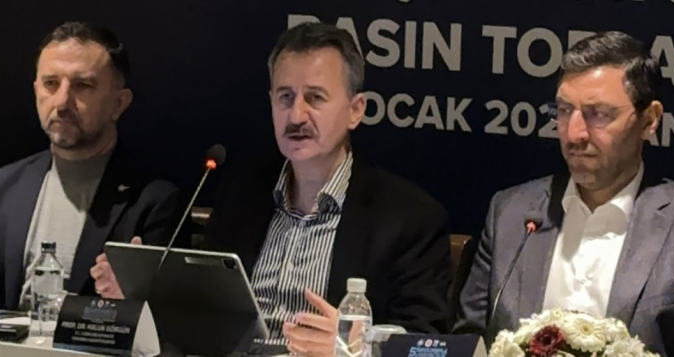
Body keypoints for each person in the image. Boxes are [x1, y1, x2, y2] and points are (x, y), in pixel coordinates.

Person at [92, 22, 453, 357]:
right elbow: (201, 321)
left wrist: (356, 348)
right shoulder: (242, 195)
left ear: (355, 110)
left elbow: (426, 344)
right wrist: (142, 300)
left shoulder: (408, 219)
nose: (296, 116)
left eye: (315, 98)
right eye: (285, 97)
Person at [455, 31, 674, 357]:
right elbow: (469, 344)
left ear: (649, 121)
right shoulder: (511, 215)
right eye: (564, 110)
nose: (575, 133)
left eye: (599, 114)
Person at [0, 22, 181, 310]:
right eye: (51, 83)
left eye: (82, 85)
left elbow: (167, 319)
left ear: (119, 103)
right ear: (36, 90)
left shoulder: (154, 201)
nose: (61, 102)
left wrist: (130, 302)